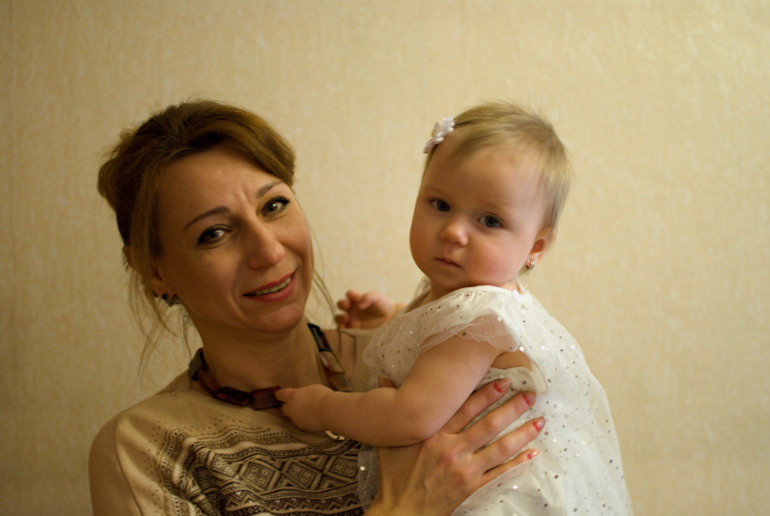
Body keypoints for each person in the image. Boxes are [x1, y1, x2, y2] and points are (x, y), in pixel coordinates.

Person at [88, 99, 546, 516]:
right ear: (155, 270)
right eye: (214, 234)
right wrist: (406, 509)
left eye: (274, 205)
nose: (269, 251)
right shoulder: (148, 451)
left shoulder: (413, 360)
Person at [278, 102, 634, 514]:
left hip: (502, 498)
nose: (453, 232)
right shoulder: (469, 297)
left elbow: (409, 416)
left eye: (489, 221)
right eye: (440, 205)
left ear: (535, 246)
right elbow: (442, 341)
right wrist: (394, 317)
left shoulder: (481, 316)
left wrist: (322, 407)